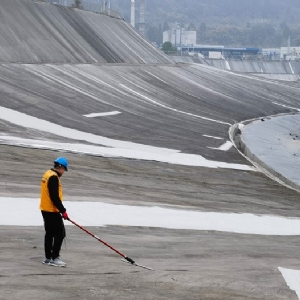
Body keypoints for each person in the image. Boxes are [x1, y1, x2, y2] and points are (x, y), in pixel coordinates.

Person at [39, 157, 69, 267]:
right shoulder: (53, 177)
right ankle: (55, 258)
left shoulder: (47, 173)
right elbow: (54, 197)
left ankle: (48, 258)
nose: (63, 173)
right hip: (52, 210)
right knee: (60, 234)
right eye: (64, 170)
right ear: (60, 167)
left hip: (45, 208)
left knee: (49, 233)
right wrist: (63, 211)